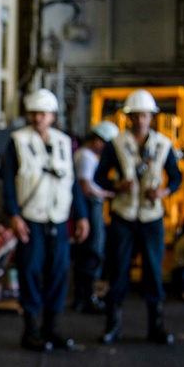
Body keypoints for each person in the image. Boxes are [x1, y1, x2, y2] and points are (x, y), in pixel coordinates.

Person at [2, 88, 89, 352]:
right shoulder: (16, 141)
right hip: (31, 220)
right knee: (30, 272)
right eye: (34, 113)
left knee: (58, 274)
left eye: (44, 113)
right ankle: (31, 330)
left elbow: (72, 183)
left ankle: (52, 329)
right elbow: (7, 182)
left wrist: (82, 215)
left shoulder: (64, 142)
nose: (39, 118)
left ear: (52, 116)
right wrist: (14, 216)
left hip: (59, 220)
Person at [93, 89, 182, 345]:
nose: (141, 120)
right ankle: (113, 326)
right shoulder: (116, 144)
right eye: (136, 116)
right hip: (124, 215)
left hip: (151, 216)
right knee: (119, 268)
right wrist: (118, 185)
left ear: (151, 117)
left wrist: (163, 191)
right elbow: (100, 176)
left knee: (154, 270)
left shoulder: (163, 145)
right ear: (129, 117)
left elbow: (176, 177)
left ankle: (157, 327)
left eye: (145, 116)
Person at [72, 120, 118, 313]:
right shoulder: (86, 156)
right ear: (99, 141)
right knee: (93, 251)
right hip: (89, 205)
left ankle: (84, 297)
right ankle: (85, 297)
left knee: (91, 252)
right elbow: (85, 186)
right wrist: (108, 193)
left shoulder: (87, 155)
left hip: (92, 205)